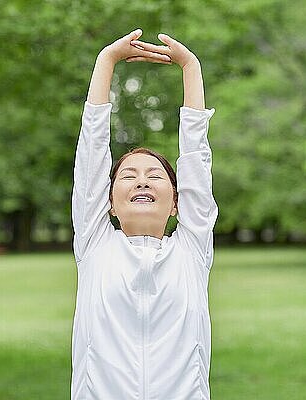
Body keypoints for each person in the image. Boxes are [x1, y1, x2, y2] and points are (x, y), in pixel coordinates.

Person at [71, 28, 218, 400]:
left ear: (176, 204)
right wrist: (106, 60)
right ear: (108, 201)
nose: (141, 182)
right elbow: (91, 151)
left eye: (155, 176)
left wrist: (190, 67)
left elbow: (196, 161)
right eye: (128, 176)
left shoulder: (191, 250)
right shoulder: (95, 244)